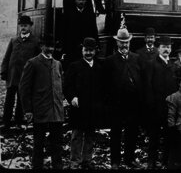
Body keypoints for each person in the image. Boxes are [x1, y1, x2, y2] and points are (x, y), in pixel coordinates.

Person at [19, 36, 64, 169]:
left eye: (52, 46)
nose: (50, 49)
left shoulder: (58, 64)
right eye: (47, 46)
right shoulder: (33, 63)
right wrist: (28, 110)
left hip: (56, 112)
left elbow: (60, 86)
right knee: (39, 145)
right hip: (40, 111)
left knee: (57, 145)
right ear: (41, 46)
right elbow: (24, 88)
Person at [103, 27, 144, 169]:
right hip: (117, 103)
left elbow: (141, 79)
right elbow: (106, 83)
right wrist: (109, 102)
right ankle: (115, 160)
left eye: (126, 42)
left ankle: (129, 158)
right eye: (121, 42)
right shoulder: (110, 61)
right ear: (117, 43)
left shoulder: (136, 58)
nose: (124, 45)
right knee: (116, 132)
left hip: (133, 102)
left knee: (132, 131)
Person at [64, 37, 105, 169]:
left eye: (91, 51)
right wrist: (72, 97)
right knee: (76, 135)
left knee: (90, 135)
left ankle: (87, 160)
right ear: (82, 50)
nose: (88, 53)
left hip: (93, 107)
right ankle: (75, 161)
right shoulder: (74, 66)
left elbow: (103, 88)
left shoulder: (99, 67)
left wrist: (101, 103)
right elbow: (67, 86)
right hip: (79, 107)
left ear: (95, 51)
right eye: (86, 50)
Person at [1, 15, 40, 132]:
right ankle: (6, 122)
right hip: (12, 75)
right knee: (9, 99)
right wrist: (3, 71)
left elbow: (37, 60)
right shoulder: (13, 41)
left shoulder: (35, 42)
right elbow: (6, 58)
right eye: (21, 26)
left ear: (30, 27)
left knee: (21, 99)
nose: (23, 28)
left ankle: (19, 121)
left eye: (26, 26)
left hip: (25, 76)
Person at [144, 36, 177, 169]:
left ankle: (165, 161)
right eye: (163, 47)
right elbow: (148, 86)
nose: (166, 50)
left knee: (169, 135)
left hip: (169, 108)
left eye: (168, 47)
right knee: (154, 136)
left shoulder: (173, 65)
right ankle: (151, 161)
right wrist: (151, 105)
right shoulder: (152, 63)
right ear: (158, 48)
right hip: (156, 107)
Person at [62, 0, 98, 70]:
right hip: (72, 47)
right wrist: (64, 48)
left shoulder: (90, 14)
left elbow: (94, 30)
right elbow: (64, 31)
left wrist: (96, 44)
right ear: (75, 0)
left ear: (86, 1)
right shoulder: (69, 14)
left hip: (86, 47)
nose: (81, 2)